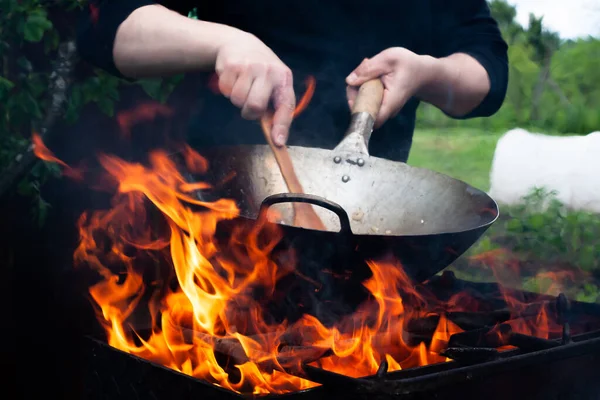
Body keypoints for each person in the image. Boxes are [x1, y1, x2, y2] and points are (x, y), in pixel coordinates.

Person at [76, 0, 508, 162]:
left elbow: (488, 72)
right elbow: (108, 28)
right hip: (218, 212)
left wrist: (428, 73)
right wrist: (223, 41)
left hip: (367, 243)